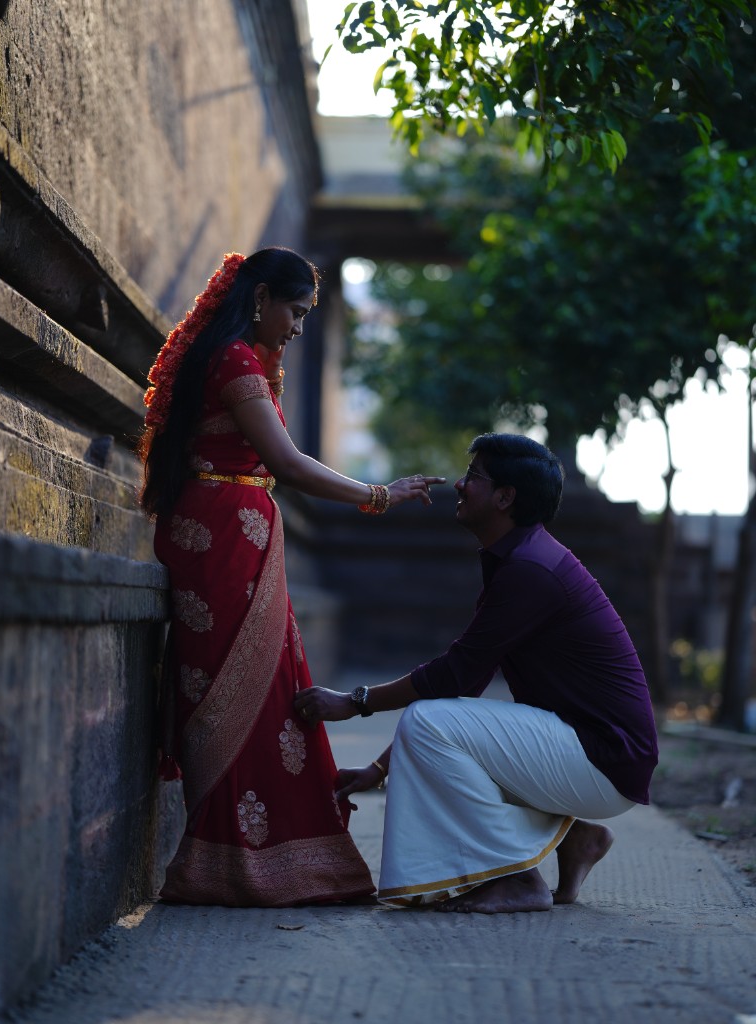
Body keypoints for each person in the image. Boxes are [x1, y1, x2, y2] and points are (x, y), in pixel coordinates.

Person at [138, 247, 444, 907]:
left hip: (230, 529)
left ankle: (258, 855)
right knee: (229, 689)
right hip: (220, 535)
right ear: (260, 300)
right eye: (297, 311)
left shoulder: (236, 359)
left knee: (267, 690)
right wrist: (378, 495)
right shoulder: (234, 360)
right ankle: (228, 859)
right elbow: (290, 464)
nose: (300, 326)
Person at [295, 432, 659, 914]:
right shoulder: (522, 558)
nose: (461, 486)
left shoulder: (532, 569)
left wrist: (356, 701)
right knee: (432, 727)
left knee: (428, 725)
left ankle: (515, 878)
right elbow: (461, 687)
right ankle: (577, 838)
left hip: (605, 758)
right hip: (596, 755)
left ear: (506, 497)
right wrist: (380, 768)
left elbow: (454, 676)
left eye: (474, 477)